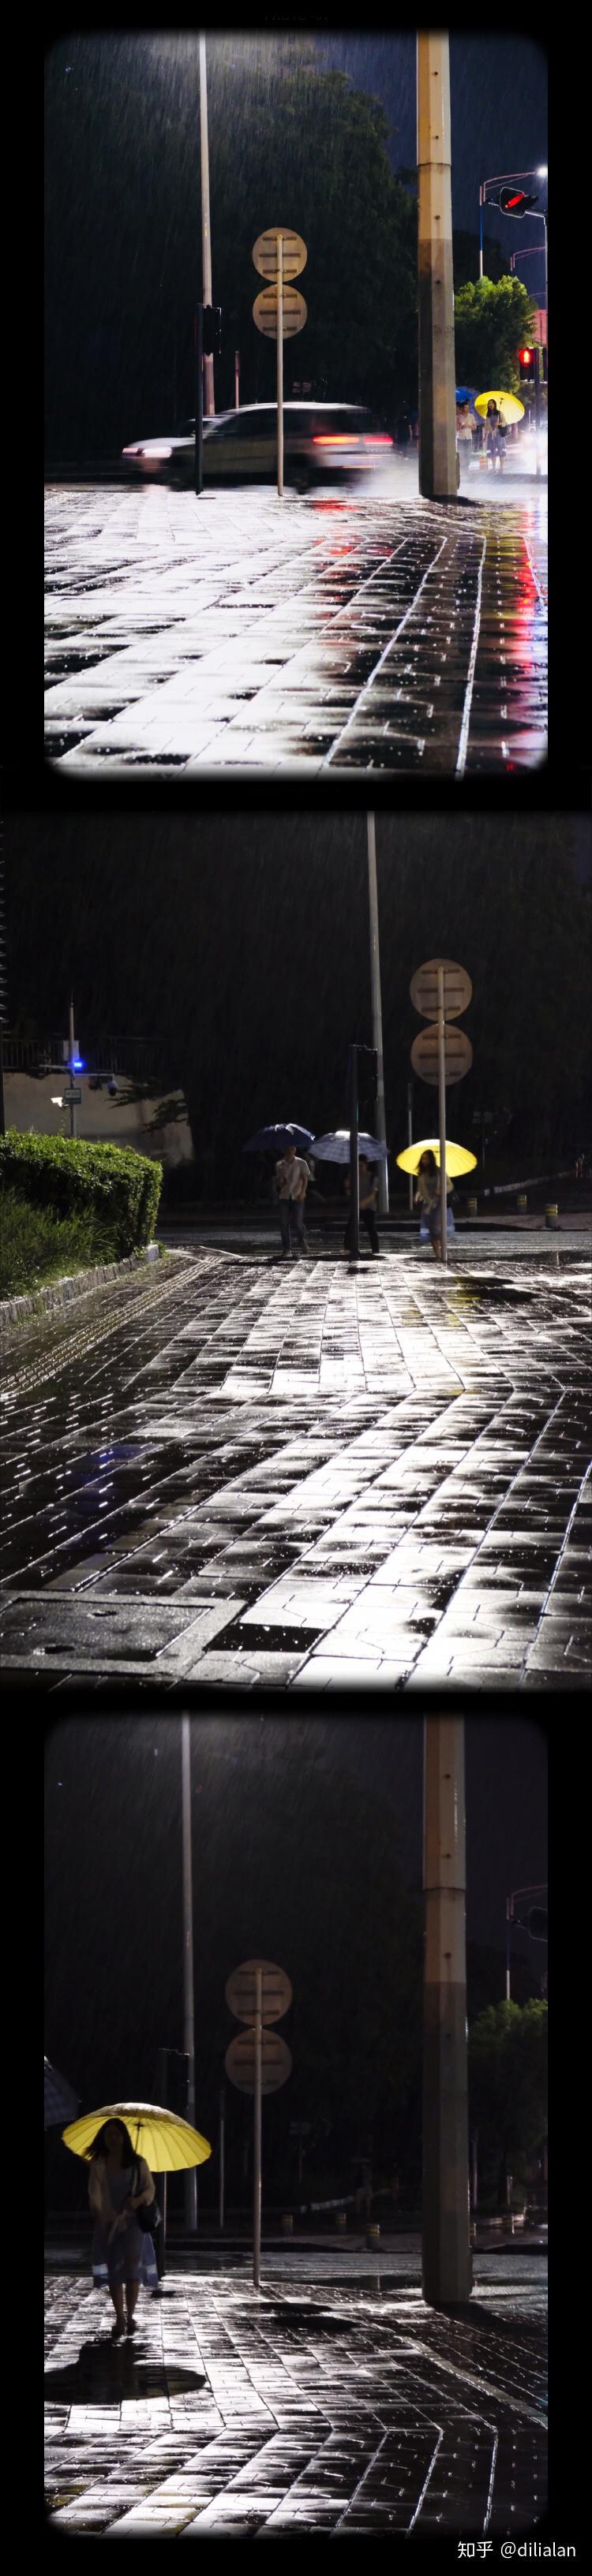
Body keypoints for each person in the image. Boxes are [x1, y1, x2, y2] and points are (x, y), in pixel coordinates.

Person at [88, 2116, 158, 2339]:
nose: (113, 2139)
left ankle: (130, 2315)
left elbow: (150, 2189)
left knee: (132, 2267)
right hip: (109, 2226)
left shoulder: (138, 2163)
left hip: (134, 2223)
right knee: (114, 2269)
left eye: (117, 2134)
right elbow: (94, 2196)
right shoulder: (99, 2165)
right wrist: (103, 2216)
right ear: (104, 2138)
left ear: (124, 2137)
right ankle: (119, 2316)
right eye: (109, 2135)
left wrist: (137, 2202)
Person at [414, 1149, 455, 1260]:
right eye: (423, 1158)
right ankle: (438, 1255)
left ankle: (444, 1252)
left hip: (439, 1205)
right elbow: (420, 1190)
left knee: (439, 1230)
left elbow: (450, 1185)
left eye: (426, 1158)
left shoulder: (439, 1172)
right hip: (428, 1206)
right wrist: (417, 1196)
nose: (424, 1161)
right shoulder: (422, 1175)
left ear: (431, 1159)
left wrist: (442, 1190)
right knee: (432, 1232)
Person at [275, 1141, 311, 1257]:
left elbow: (305, 1179)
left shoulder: (301, 1163)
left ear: (295, 1149)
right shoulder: (280, 1164)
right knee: (284, 1223)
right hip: (284, 1196)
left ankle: (302, 1240)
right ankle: (287, 1248)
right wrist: (281, 1179)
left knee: (297, 1222)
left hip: (297, 1195)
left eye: (292, 1148)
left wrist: (303, 1192)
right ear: (283, 1150)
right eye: (287, 1149)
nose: (290, 1151)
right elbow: (280, 1184)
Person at [343, 1154, 380, 1256]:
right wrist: (347, 1187)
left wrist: (362, 1204)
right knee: (350, 1228)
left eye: (361, 1166)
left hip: (368, 1207)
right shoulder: (352, 1176)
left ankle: (375, 1251)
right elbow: (349, 1193)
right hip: (356, 1207)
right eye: (357, 1166)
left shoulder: (372, 1177)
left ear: (366, 1165)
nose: (359, 1169)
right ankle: (347, 1248)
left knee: (371, 1229)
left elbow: (373, 1195)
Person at [482, 399, 504, 472]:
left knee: (501, 451)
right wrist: (485, 436)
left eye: (492, 403)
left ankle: (501, 468)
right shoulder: (488, 416)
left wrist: (499, 424)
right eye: (489, 404)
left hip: (499, 435)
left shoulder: (500, 413)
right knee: (492, 452)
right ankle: (494, 468)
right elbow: (486, 427)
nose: (490, 404)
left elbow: (505, 423)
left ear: (494, 404)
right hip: (491, 435)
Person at [455, 400, 474, 478]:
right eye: (465, 408)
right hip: (461, 438)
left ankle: (466, 469)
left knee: (468, 454)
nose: (467, 409)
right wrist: (461, 425)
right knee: (461, 454)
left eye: (468, 408)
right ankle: (463, 470)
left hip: (469, 438)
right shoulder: (458, 417)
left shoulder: (471, 416)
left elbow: (474, 427)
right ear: (462, 409)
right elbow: (457, 428)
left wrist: (469, 426)